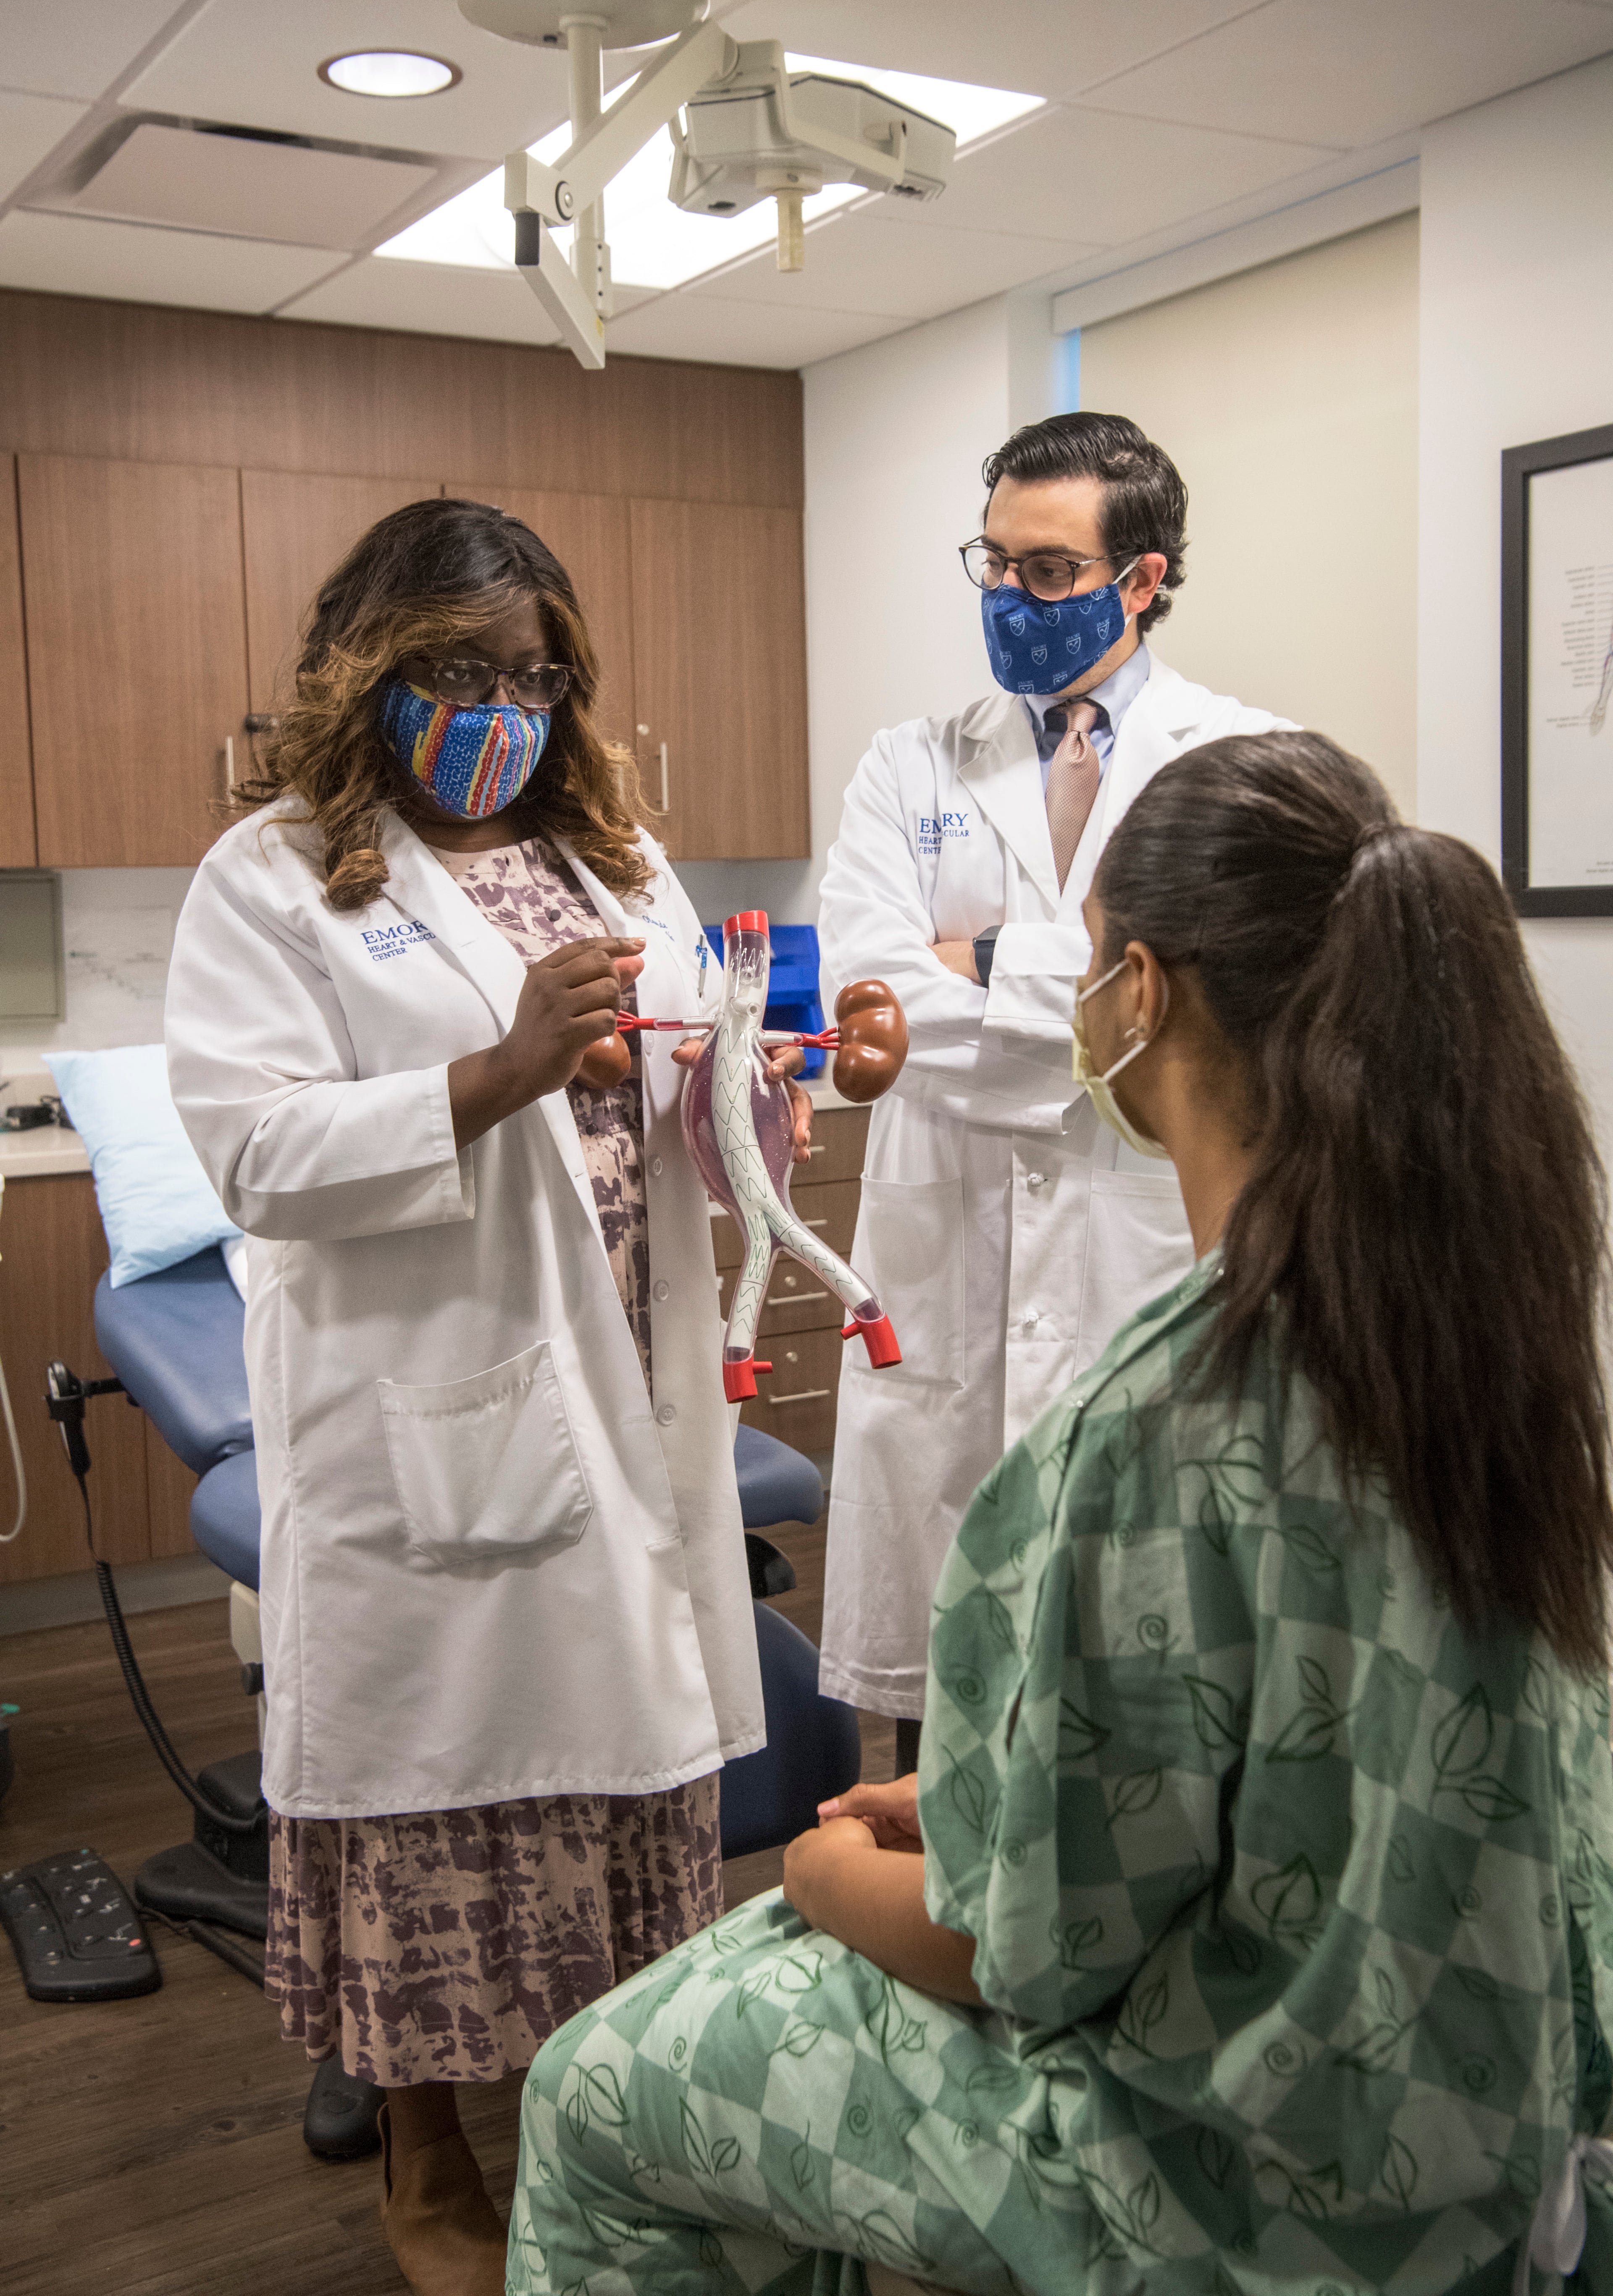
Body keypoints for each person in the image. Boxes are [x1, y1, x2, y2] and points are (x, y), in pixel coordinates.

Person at [504, 730, 1613, 2296]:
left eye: (1083, 963)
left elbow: (1024, 1957)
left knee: (597, 2089)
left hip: (1254, 2186)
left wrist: (820, 1876)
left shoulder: (1164, 1421)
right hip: (1496, 2120)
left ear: (1138, 994)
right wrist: (983, 1805)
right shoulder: (1491, 1330)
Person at [166, 499, 810, 2296]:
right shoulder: (280, 872)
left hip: (631, 1381)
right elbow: (255, 1153)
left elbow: (689, 1096)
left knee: (626, 1778)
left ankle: (616, 2118)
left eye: (534, 677)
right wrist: (500, 1068)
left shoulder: (618, 858)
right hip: (436, 1401)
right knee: (434, 1798)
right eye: (460, 672)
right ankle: (426, 2149)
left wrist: (775, 1082)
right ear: (366, 669)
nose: (503, 712)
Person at [817, 410, 1293, 1760]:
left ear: (1141, 580)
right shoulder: (909, 763)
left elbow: (1222, 998)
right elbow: (871, 991)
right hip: (947, 1264)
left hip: (1135, 1253)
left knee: (1144, 1705)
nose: (1009, 596)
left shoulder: (1241, 763)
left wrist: (977, 961)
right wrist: (1105, 992)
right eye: (994, 562)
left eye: (1047, 571)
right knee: (940, 1726)